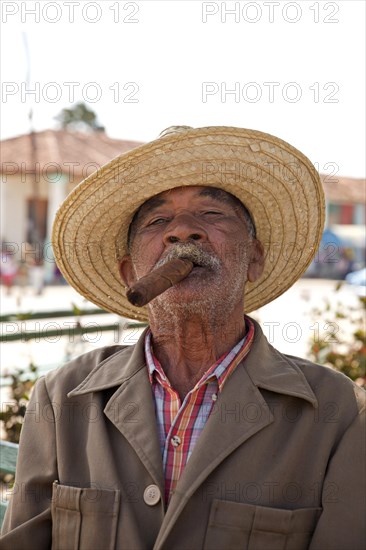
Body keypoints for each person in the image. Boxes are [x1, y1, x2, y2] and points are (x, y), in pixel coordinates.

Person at [1, 126, 365, 550]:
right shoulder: (62, 397)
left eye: (211, 214)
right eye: (158, 221)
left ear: (254, 258)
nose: (183, 231)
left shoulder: (338, 413)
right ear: (129, 275)